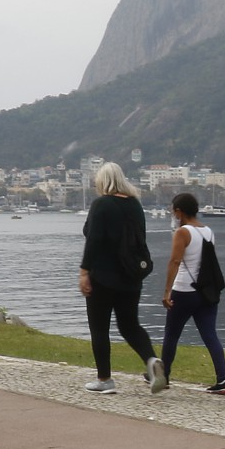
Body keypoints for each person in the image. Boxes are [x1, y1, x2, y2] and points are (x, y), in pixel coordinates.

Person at [78, 161, 160, 394]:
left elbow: (92, 240)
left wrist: (84, 272)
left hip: (102, 276)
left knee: (100, 328)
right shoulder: (135, 205)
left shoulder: (101, 204)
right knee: (130, 325)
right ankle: (152, 361)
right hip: (131, 277)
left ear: (102, 182)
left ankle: (105, 379)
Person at [157, 192, 225, 395]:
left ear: (179, 212)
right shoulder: (208, 231)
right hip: (206, 292)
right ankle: (223, 379)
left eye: (173, 211)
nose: (173, 215)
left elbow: (175, 262)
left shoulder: (183, 232)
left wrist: (166, 291)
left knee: (171, 334)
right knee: (210, 335)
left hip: (184, 290)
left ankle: (163, 377)